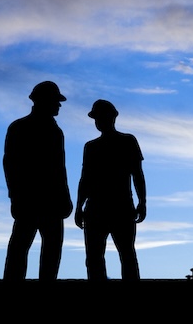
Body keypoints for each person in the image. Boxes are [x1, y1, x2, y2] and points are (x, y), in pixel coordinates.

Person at [3, 81, 73, 280]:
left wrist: (65, 199)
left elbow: (59, 170)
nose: (59, 105)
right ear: (44, 101)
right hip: (33, 200)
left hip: (46, 201)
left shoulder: (52, 131)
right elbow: (11, 165)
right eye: (56, 101)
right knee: (21, 248)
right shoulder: (22, 128)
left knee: (45, 250)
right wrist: (15, 196)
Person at [75, 99, 147, 281]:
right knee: (95, 257)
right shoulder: (90, 147)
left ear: (111, 118)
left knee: (126, 255)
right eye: (96, 118)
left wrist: (143, 202)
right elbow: (85, 179)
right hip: (98, 209)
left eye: (100, 117)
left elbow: (137, 174)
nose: (98, 122)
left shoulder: (127, 141)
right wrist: (78, 207)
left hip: (119, 207)